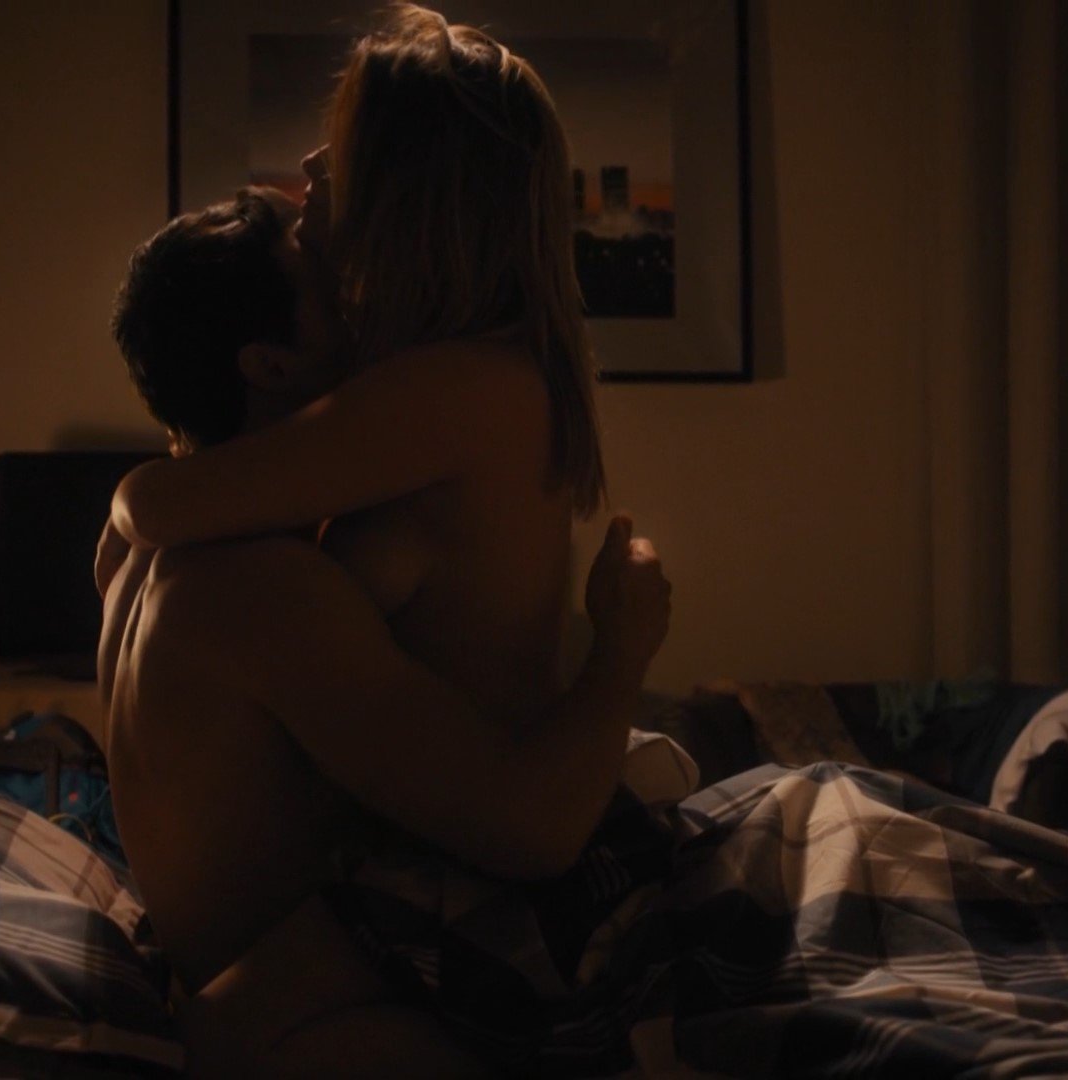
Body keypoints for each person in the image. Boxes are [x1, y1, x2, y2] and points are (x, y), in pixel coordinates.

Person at [100, 188, 672, 1076]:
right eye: (327, 282)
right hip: (306, 1030)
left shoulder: (137, 553)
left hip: (293, 991)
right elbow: (532, 829)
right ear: (271, 364)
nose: (360, 293)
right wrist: (622, 649)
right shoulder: (261, 590)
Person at [108, 4, 599, 723]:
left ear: (413, 193)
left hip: (476, 788)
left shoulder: (451, 390)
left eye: (346, 146)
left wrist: (125, 500)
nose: (312, 162)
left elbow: (160, 507)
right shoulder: (462, 371)